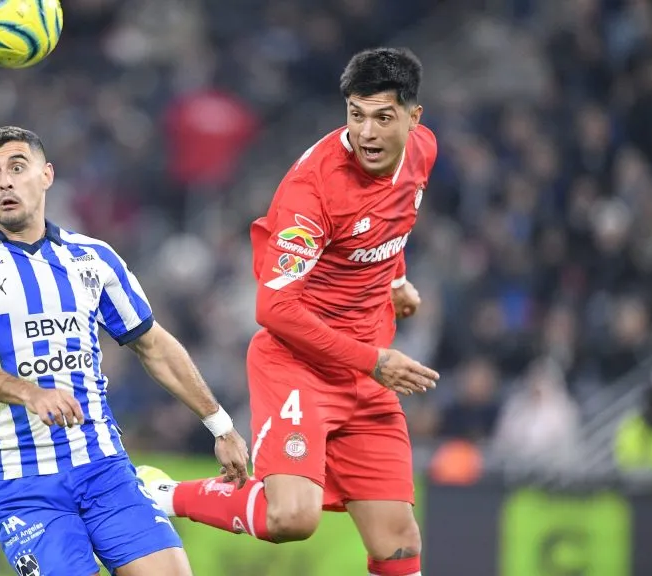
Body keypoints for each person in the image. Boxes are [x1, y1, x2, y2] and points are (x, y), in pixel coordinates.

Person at [139, 48, 439, 576]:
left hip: (366, 370)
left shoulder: (423, 152)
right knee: (293, 518)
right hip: (300, 363)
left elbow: (391, 222)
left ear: (414, 119)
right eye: (356, 114)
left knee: (398, 541)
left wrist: (396, 279)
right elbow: (273, 309)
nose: (367, 132)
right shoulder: (314, 190)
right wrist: (372, 361)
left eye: (382, 117)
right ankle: (159, 494)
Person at [0, 126, 250, 576]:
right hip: (23, 482)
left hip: (103, 467)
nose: (5, 181)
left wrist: (221, 425)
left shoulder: (91, 258)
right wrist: (31, 393)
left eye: (18, 168)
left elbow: (152, 344)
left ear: (46, 175)